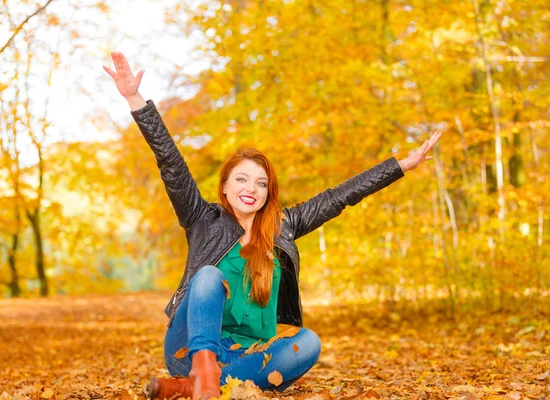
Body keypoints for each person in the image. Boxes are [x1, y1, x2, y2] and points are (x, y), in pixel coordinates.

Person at [104, 52, 441, 400]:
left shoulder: (285, 227)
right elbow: (170, 162)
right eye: (242, 180)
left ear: (268, 192)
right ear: (225, 187)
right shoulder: (203, 219)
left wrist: (401, 165)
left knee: (308, 342)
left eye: (260, 183)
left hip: (246, 355)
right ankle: (200, 374)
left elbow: (342, 196)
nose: (251, 189)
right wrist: (134, 98)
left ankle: (198, 389)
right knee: (207, 276)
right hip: (189, 347)